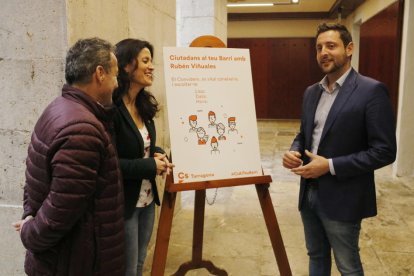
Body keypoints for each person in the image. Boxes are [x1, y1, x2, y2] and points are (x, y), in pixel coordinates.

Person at [282, 23, 396, 276]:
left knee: (348, 266)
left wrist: (330, 166)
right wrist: (294, 151)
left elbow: (385, 150)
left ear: (349, 49)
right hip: (308, 195)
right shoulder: (312, 92)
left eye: (331, 46)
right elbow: (305, 134)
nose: (324, 52)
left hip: (343, 197)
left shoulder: (371, 91)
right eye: (319, 47)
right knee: (316, 256)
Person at [12, 38, 125, 275]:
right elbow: (60, 211)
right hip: (75, 263)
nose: (117, 84)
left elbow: (38, 182)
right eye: (115, 75)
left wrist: (29, 215)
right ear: (100, 73)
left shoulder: (59, 107)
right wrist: (29, 232)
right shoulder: (81, 129)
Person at [113, 38, 173, 276]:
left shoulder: (144, 104)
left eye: (152, 61)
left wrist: (158, 155)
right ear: (127, 66)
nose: (152, 67)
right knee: (127, 269)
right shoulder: (112, 109)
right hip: (125, 203)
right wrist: (150, 165)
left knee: (139, 264)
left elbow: (146, 147)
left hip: (148, 200)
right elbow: (109, 163)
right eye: (145, 61)